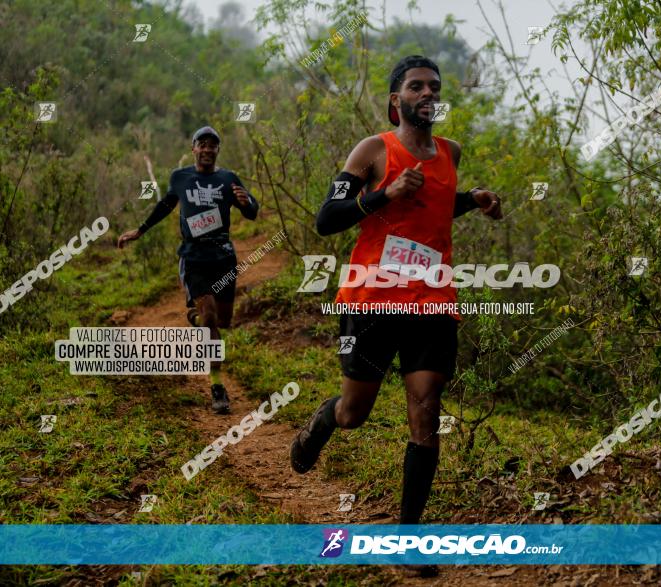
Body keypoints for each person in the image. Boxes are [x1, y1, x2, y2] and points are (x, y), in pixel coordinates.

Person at [290, 54, 503, 567]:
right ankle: (324, 421)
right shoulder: (372, 150)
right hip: (372, 299)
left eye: (434, 86)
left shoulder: (450, 151)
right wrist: (383, 193)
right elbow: (326, 219)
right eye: (416, 86)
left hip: (432, 300)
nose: (427, 93)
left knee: (425, 411)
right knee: (354, 413)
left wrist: (473, 199)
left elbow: (434, 203)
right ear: (396, 100)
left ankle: (408, 542)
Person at [117, 126, 259, 414]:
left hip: (223, 258)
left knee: (223, 321)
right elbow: (166, 205)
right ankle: (217, 387)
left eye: (212, 145)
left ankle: (196, 314)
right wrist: (141, 230)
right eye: (202, 144)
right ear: (194, 148)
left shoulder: (227, 178)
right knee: (209, 321)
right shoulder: (180, 177)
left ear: (218, 150)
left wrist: (247, 202)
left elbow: (252, 211)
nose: (207, 149)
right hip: (194, 257)